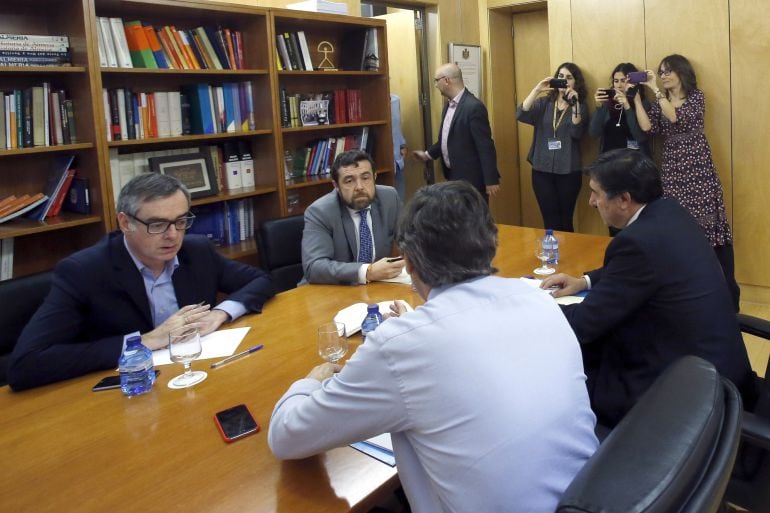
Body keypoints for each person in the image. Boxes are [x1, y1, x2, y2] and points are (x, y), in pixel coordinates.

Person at [270, 181, 598, 513]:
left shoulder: (400, 344)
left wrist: (310, 381)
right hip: (588, 497)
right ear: (491, 243)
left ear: (409, 262)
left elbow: (287, 437)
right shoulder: (538, 299)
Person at [542, 149, 754, 428]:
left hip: (686, 391)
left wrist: (534, 307)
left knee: (568, 368)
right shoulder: (670, 213)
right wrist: (585, 282)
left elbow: (583, 324)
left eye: (596, 193)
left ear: (624, 200)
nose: (592, 202)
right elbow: (643, 269)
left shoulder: (637, 243)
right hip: (721, 370)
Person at [8, 173, 275, 391]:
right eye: (157, 225)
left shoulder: (196, 250)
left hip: (197, 378)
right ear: (125, 223)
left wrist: (220, 314)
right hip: (126, 395)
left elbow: (261, 280)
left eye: (180, 221)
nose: (172, 235)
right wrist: (146, 341)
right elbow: (25, 365)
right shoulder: (84, 271)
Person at [634, 54, 740, 311]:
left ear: (682, 72)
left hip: (697, 164)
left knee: (711, 228)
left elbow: (675, 118)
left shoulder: (696, 96)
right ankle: (693, 289)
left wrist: (656, 92)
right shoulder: (660, 100)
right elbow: (648, 127)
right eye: (661, 72)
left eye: (668, 71)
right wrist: (636, 97)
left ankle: (728, 293)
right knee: (681, 226)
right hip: (673, 167)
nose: (664, 75)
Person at [301, 149, 404, 285]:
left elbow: (412, 239)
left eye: (365, 178)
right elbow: (314, 267)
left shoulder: (389, 198)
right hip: (330, 290)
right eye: (349, 181)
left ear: (375, 177)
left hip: (375, 287)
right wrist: (367, 271)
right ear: (336, 185)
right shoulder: (319, 212)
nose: (359, 187)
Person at [517, 62, 589, 232]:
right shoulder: (544, 104)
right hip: (542, 169)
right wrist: (537, 89)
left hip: (568, 170)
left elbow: (577, 132)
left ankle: (568, 255)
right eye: (561, 77)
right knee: (549, 218)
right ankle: (552, 255)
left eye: (569, 78)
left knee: (565, 219)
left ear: (575, 82)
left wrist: (575, 103)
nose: (564, 81)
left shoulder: (580, 106)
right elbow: (521, 113)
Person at [413, 63, 500, 200]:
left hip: (472, 179)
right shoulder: (448, 104)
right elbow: (447, 138)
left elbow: (485, 145)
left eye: (437, 80)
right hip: (453, 175)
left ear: (447, 81)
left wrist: (491, 179)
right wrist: (427, 155)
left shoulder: (474, 107)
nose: (435, 85)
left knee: (474, 219)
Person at [589, 62, 651, 236]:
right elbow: (593, 132)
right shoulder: (608, 106)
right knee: (612, 217)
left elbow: (640, 136)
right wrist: (600, 107)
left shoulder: (642, 104)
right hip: (610, 169)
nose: (619, 85)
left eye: (623, 80)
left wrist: (628, 106)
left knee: (633, 218)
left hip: (634, 170)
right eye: (616, 81)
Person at [391, 93, 408, 201]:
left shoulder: (395, 100)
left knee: (400, 204)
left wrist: (402, 145)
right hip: (382, 162)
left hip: (397, 160)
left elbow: (396, 126)